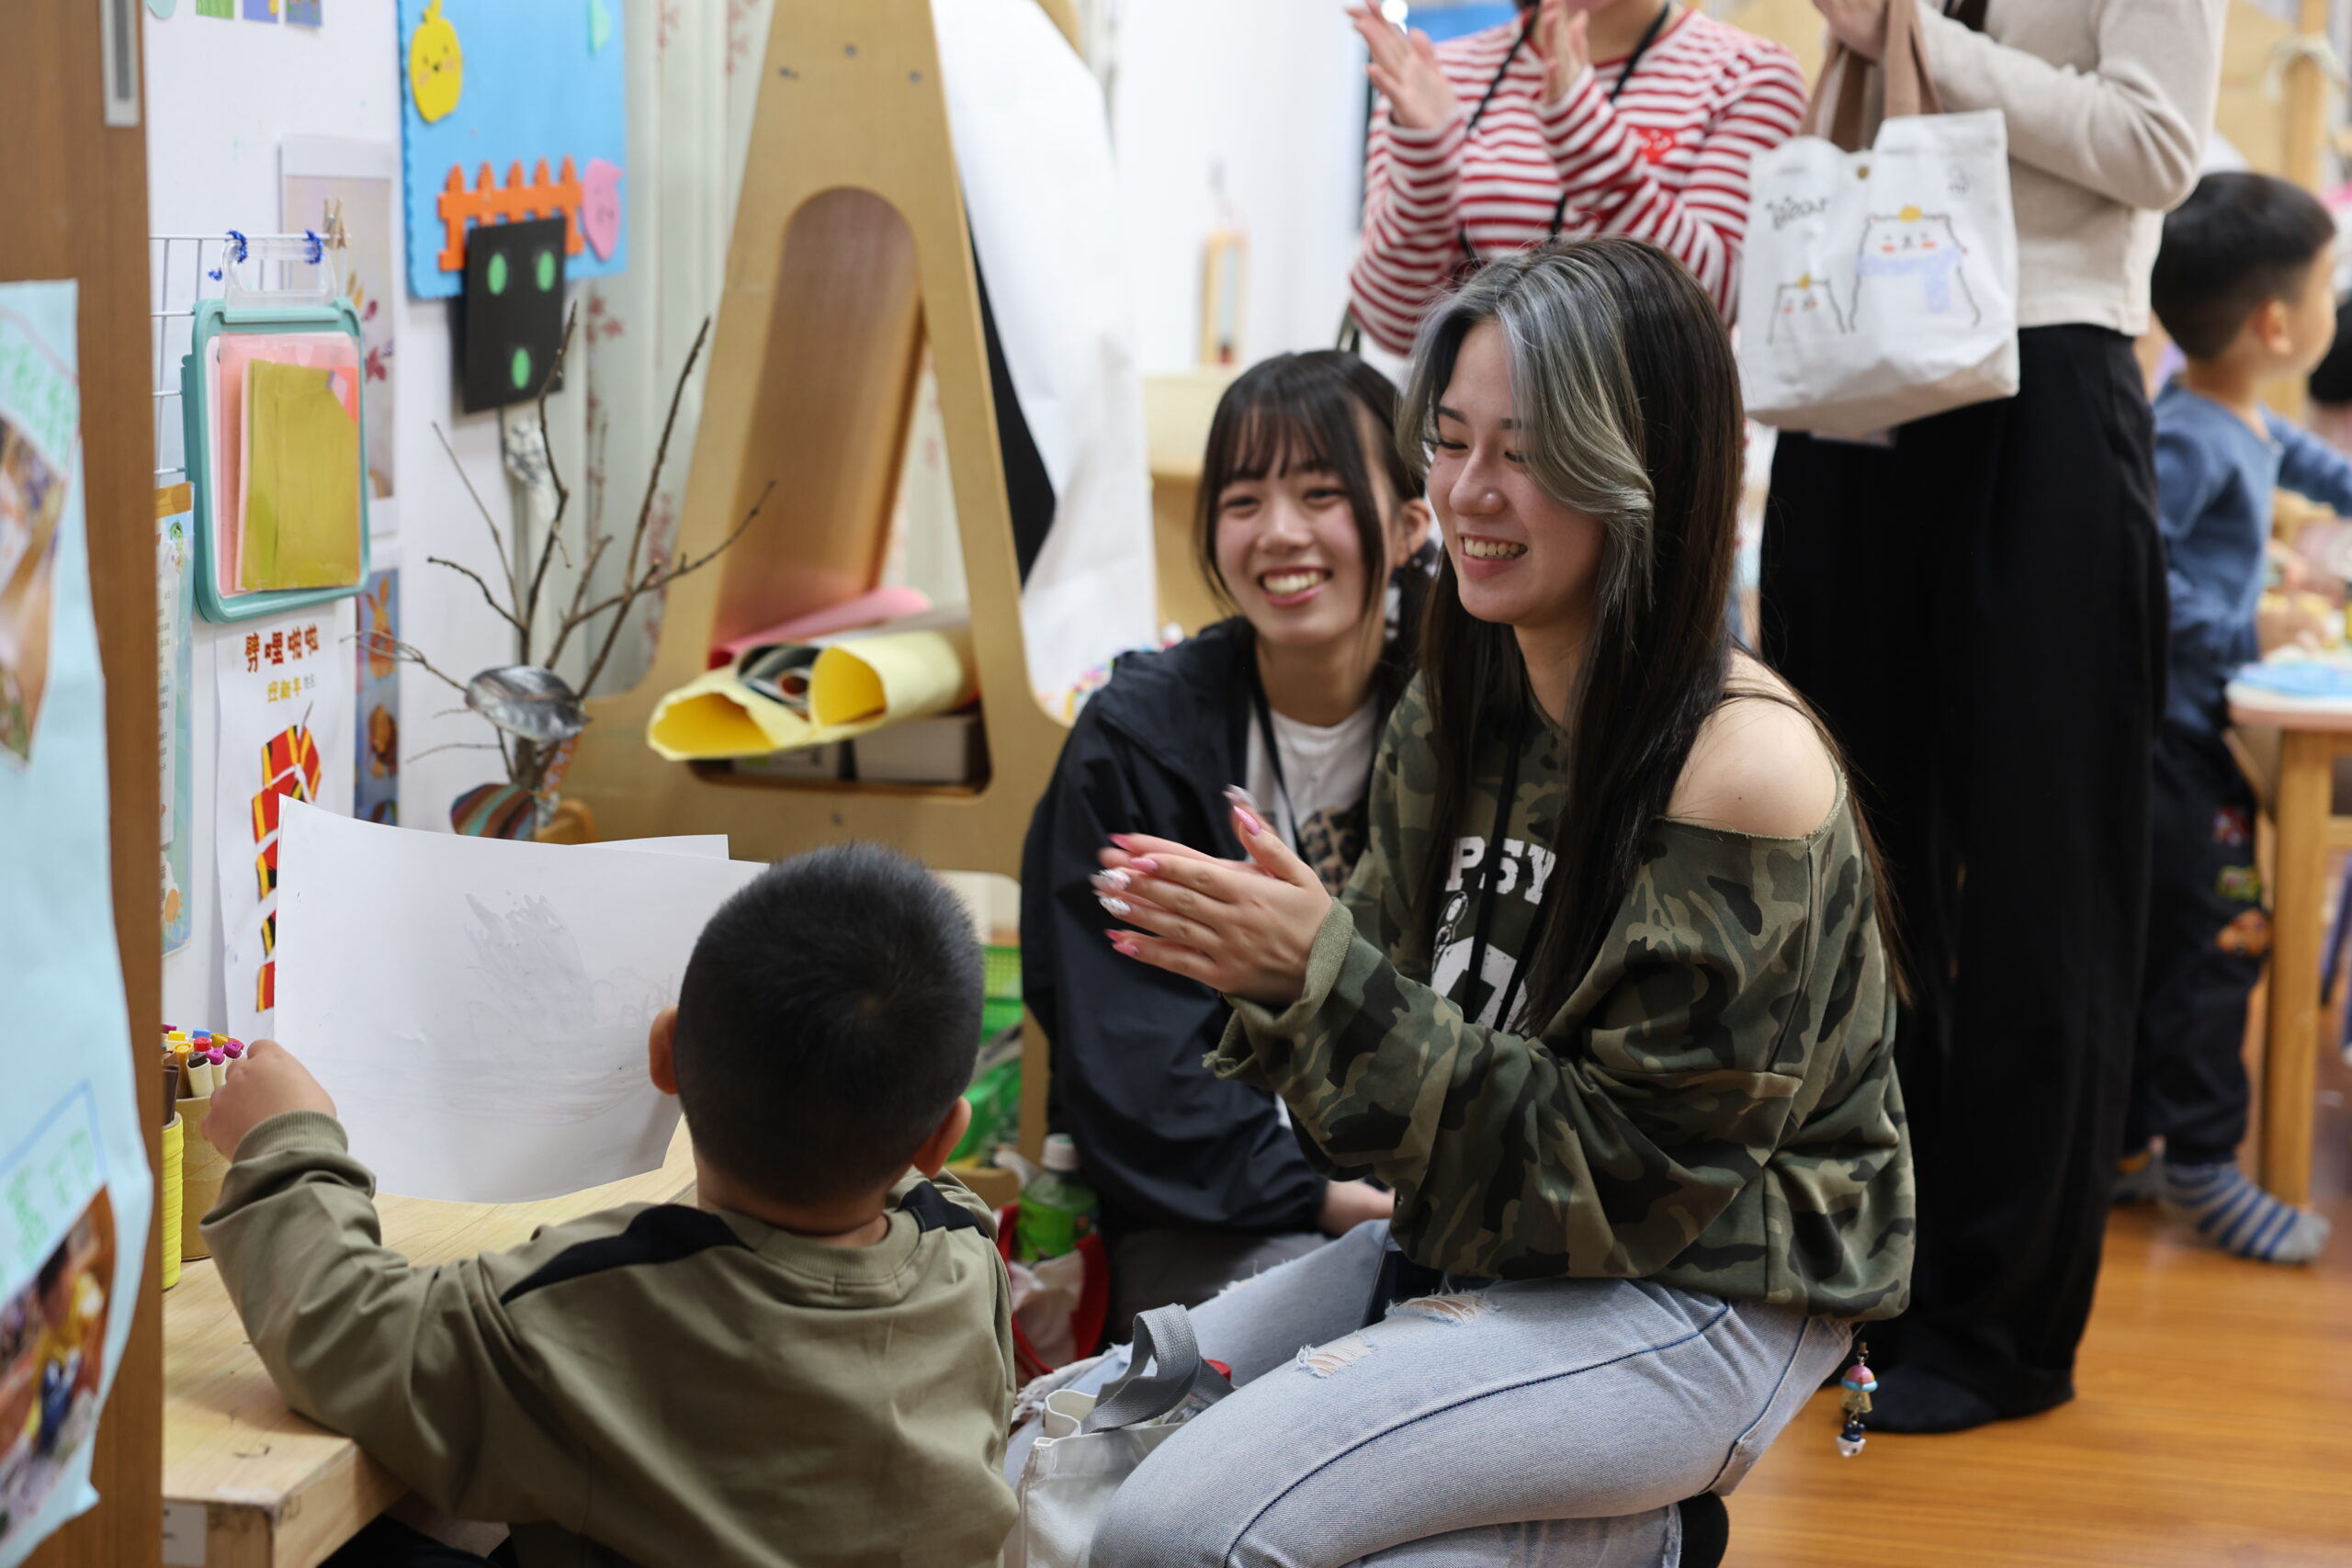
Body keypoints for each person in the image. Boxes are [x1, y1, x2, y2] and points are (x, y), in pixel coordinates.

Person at [1046, 240, 1909, 1567]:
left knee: (1172, 1535)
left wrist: (1322, 981)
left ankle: (1639, 1535)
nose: (1467, 492)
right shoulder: (1459, 693)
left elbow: (1630, 1187)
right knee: (1061, 1459)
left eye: (1529, 450)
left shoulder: (1744, 766)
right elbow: (1374, 1117)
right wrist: (1300, 984)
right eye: (1449, 443)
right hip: (1485, 1230)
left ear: (1647, 470)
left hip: (1702, 1282)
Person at [1761, 0, 2225, 1433]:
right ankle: (1869, 1272)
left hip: (2046, 373)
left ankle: (2003, 1319)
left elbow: (2156, 145)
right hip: (1857, 370)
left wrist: (1916, 39)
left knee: (2044, 875)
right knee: (1852, 858)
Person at [199, 844, 1017, 1568]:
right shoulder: (967, 1256)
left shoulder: (598, 1301)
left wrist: (286, 1138)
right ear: (943, 1138)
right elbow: (914, 1179)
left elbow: (344, 1330)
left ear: (662, 1054)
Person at [1022, 351, 1432, 1331]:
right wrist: (1332, 1200)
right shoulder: (1135, 743)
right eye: (1244, 500)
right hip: (1216, 1208)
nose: (1279, 532)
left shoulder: (1476, 720)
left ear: (1411, 525)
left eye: (1321, 493)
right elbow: (1128, 1061)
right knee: (1325, 1334)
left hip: (1444, 1181)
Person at [2121, 172, 2341, 1265]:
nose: (2333, 302)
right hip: (2171, 744)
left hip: (2197, 734)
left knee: (2166, 946)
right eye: (2328, 285)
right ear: (2274, 324)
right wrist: (2250, 625)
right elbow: (2141, 578)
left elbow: (2303, 462)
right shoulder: (2189, 436)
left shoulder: (2235, 411)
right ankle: (2203, 1162)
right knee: (2218, 947)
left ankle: (2127, 1149)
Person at [1343, 0, 1804, 353]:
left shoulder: (1750, 73)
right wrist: (1426, 162)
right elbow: (1394, 326)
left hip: (1649, 437)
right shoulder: (1440, 73)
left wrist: (1588, 144)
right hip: (1473, 438)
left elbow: (1709, 309)